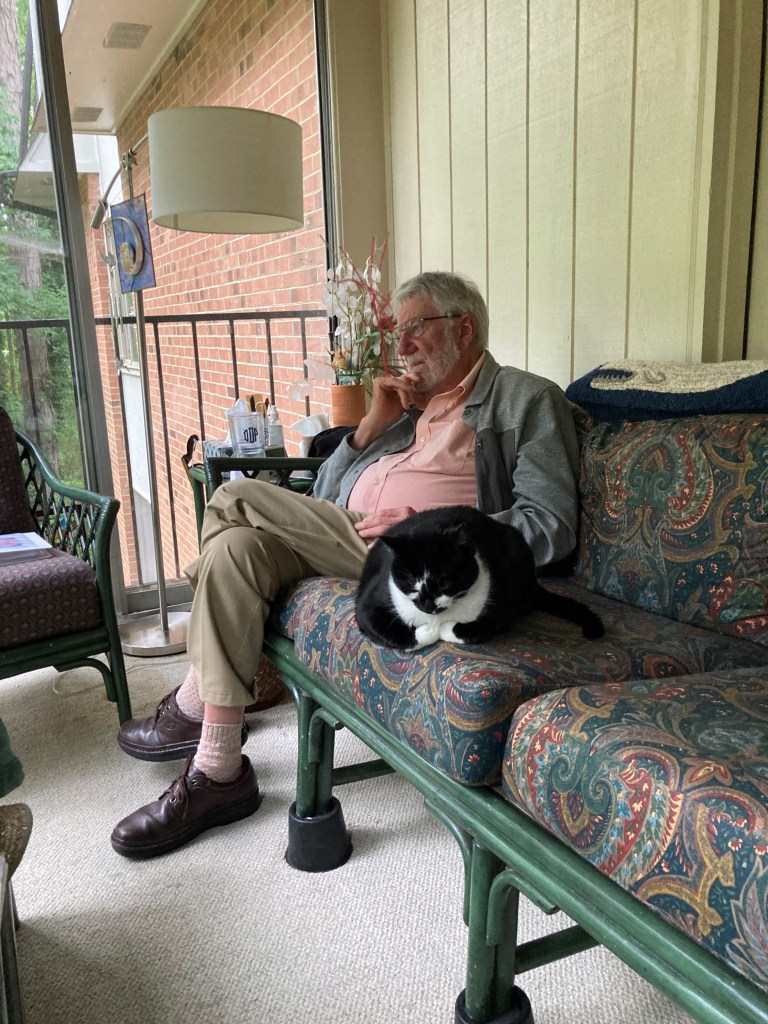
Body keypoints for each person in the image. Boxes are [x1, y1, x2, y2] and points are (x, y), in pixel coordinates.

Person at [111, 271, 581, 858]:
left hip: (416, 566)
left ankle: (191, 700)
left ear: (464, 330)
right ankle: (220, 768)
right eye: (396, 332)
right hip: (347, 539)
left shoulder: (526, 399)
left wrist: (434, 529)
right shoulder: (408, 408)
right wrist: (369, 428)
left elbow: (552, 524)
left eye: (416, 329)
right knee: (233, 551)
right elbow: (323, 497)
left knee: (232, 498)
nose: (401, 346)